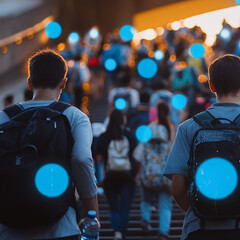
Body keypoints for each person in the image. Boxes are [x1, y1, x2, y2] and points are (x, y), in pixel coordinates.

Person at [163, 54, 240, 240]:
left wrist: (202, 209)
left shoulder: (188, 127)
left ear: (212, 85)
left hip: (199, 228)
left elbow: (177, 188)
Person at [0, 49, 98, 239]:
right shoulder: (74, 116)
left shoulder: (3, 117)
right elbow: (81, 159)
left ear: (29, 82)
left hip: (8, 226)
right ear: (63, 82)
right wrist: (92, 214)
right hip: (61, 227)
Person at [133, 101, 174, 240]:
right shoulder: (170, 130)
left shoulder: (149, 128)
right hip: (165, 174)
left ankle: (145, 220)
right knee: (165, 205)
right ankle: (163, 232)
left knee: (146, 200)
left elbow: (138, 153)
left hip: (149, 173)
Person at [97, 109, 138, 240]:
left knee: (114, 207)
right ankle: (123, 233)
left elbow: (98, 159)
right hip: (127, 175)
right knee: (125, 208)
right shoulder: (129, 135)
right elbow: (136, 156)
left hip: (110, 176)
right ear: (122, 119)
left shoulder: (104, 136)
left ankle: (117, 233)